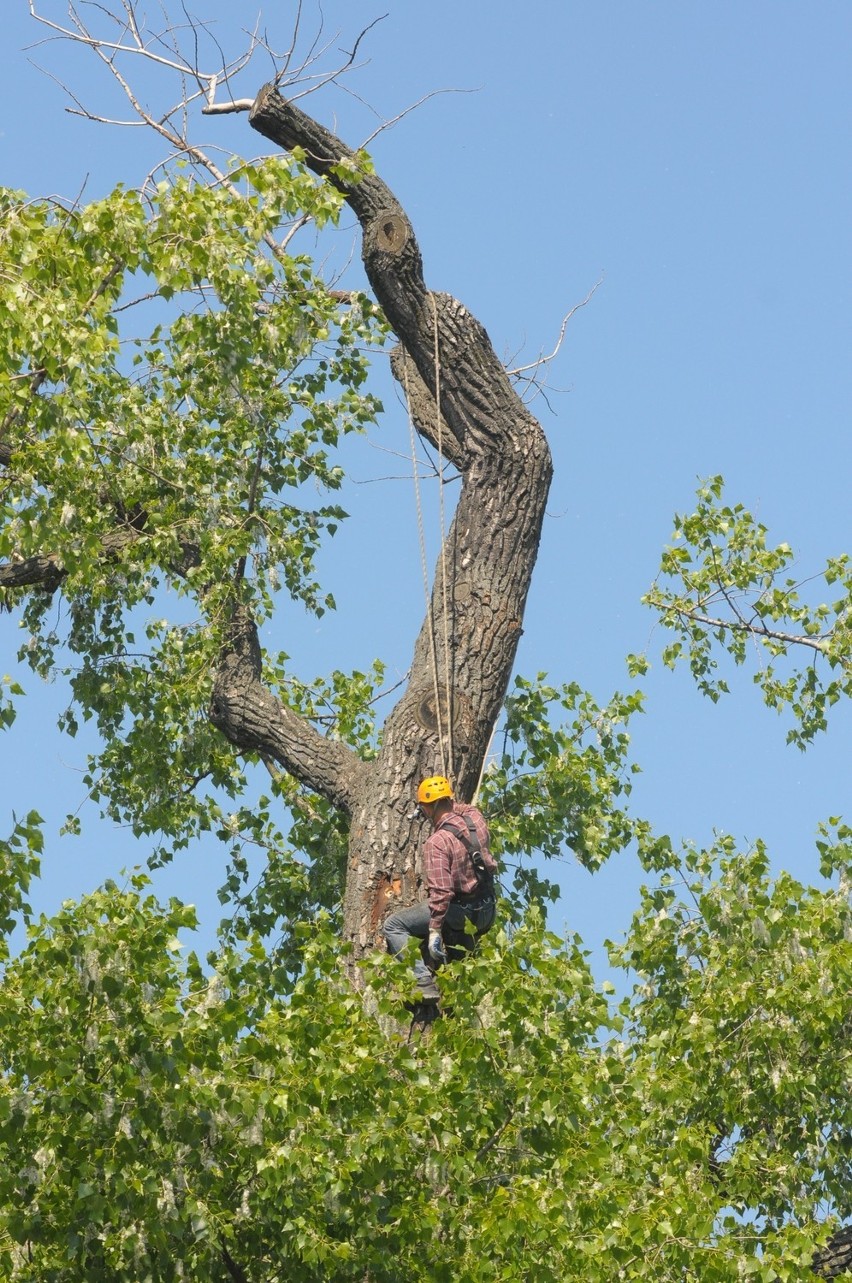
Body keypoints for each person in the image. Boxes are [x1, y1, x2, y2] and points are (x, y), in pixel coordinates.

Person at [382, 775, 497, 1002]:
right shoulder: (476, 820)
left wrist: (434, 931)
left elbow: (442, 893)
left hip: (459, 914)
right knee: (456, 974)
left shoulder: (437, 843)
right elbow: (465, 808)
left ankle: (422, 981)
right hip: (486, 912)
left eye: (424, 807)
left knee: (393, 926)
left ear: (430, 806)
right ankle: (455, 1006)